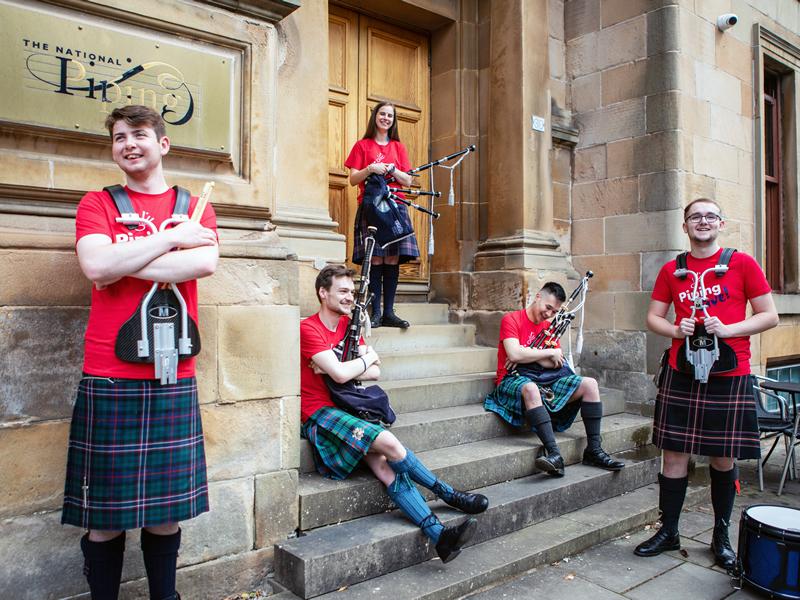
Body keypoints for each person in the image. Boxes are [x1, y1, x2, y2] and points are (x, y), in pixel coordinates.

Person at [61, 105, 218, 600]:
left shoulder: (196, 203)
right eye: (120, 137)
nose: (129, 144)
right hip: (110, 372)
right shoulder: (97, 203)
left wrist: (123, 258)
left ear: (163, 144)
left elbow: (204, 264)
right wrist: (170, 240)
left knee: (166, 512)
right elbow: (95, 266)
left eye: (140, 134)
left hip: (172, 374)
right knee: (105, 517)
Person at [301, 264, 488, 564]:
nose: (350, 297)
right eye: (343, 291)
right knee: (390, 444)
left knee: (385, 467)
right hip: (321, 413)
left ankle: (439, 537)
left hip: (349, 407)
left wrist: (353, 365)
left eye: (352, 291)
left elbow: (374, 371)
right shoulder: (308, 328)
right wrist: (354, 365)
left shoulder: (349, 328)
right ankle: (449, 494)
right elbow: (338, 374)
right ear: (323, 293)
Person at [635, 198, 778, 571]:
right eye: (695, 216)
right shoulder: (673, 270)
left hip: (729, 373)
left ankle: (721, 536)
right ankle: (669, 532)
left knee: (722, 455)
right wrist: (673, 329)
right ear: (685, 226)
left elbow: (769, 316)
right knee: (673, 454)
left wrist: (729, 329)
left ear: (721, 223)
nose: (703, 221)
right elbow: (653, 317)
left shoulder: (742, 264)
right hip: (682, 371)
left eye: (710, 216)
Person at [484, 282, 625, 477]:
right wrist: (548, 352)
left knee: (590, 384)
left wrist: (533, 356)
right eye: (548, 308)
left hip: (544, 378)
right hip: (511, 379)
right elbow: (515, 354)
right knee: (531, 388)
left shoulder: (550, 325)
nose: (550, 314)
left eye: (555, 311)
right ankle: (554, 454)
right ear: (537, 297)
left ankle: (594, 449)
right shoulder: (512, 319)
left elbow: (556, 363)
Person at [345, 101, 419, 329]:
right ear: (375, 117)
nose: (386, 118)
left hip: (395, 208)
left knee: (392, 258)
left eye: (390, 115)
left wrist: (392, 169)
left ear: (393, 120)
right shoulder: (362, 146)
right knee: (375, 258)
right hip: (372, 209)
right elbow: (353, 179)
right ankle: (375, 312)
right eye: (382, 114)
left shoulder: (398, 147)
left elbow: (408, 180)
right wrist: (370, 169)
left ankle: (389, 312)